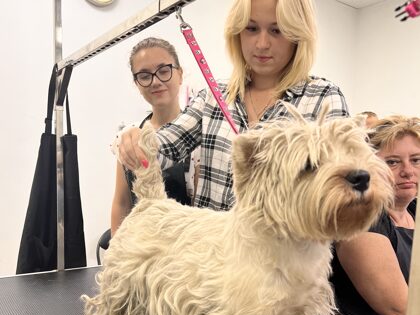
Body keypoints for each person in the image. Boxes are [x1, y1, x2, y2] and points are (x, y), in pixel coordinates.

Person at [114, 0, 350, 210]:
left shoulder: (322, 98)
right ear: (237, 31)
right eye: (251, 28)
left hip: (282, 245)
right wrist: (137, 141)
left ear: (298, 34)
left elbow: (339, 189)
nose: (262, 44)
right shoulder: (213, 96)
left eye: (277, 30)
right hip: (212, 244)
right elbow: (166, 146)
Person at [327, 115, 420, 315]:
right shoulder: (363, 219)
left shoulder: (413, 212)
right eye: (392, 162)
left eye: (416, 160)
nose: (408, 171)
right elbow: (398, 306)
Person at [111, 37, 190, 236]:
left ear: (180, 74)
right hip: (143, 247)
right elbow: (122, 203)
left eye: (164, 71)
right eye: (145, 76)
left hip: (190, 245)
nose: (155, 81)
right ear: (137, 83)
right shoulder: (128, 137)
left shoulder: (202, 135)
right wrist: (116, 250)